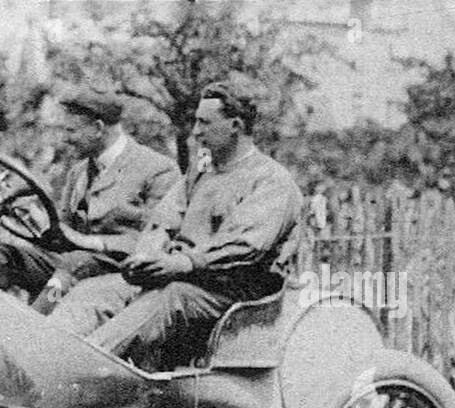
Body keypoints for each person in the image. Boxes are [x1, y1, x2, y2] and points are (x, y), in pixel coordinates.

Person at [56, 80, 304, 370]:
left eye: (204, 123)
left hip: (231, 294)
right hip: (181, 279)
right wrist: (148, 256)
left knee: (168, 299)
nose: (196, 132)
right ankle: (40, 359)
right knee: (95, 291)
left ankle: (79, 370)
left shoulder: (271, 181)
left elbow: (244, 247)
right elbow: (163, 221)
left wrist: (185, 262)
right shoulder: (200, 171)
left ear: (235, 125)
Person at [0, 88, 179, 312]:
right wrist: (32, 216)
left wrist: (95, 243)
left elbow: (158, 241)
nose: (66, 139)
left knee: (72, 266)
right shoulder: (79, 172)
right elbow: (64, 232)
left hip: (121, 272)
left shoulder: (159, 170)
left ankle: (33, 329)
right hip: (71, 265)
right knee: (2, 258)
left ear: (97, 128)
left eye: (72, 131)